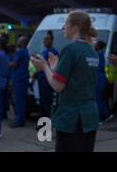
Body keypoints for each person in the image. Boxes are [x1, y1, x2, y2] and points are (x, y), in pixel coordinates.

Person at [30, 11, 100, 152]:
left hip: (72, 118)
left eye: (66, 23)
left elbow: (57, 86)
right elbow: (78, 77)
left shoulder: (70, 49)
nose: (64, 27)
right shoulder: (91, 51)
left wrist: (44, 67)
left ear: (75, 27)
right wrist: (55, 68)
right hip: (89, 117)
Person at [35, 30, 59, 120]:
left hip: (47, 81)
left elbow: (48, 67)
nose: (45, 41)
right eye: (44, 39)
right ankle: (43, 124)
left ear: (52, 40)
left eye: (47, 39)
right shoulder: (44, 52)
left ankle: (46, 127)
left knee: (47, 105)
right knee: (42, 103)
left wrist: (34, 73)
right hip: (41, 80)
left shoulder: (52, 52)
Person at [9, 36, 30, 128]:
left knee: (18, 100)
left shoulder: (19, 52)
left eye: (19, 40)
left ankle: (19, 120)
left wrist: (6, 62)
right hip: (24, 78)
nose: (17, 41)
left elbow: (14, 64)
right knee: (21, 100)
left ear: (23, 42)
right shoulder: (26, 52)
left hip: (18, 79)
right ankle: (21, 119)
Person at [95, 40, 113, 124]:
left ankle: (100, 118)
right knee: (101, 98)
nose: (95, 45)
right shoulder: (101, 54)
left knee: (99, 98)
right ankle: (106, 114)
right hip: (101, 77)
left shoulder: (99, 54)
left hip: (100, 78)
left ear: (99, 46)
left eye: (96, 44)